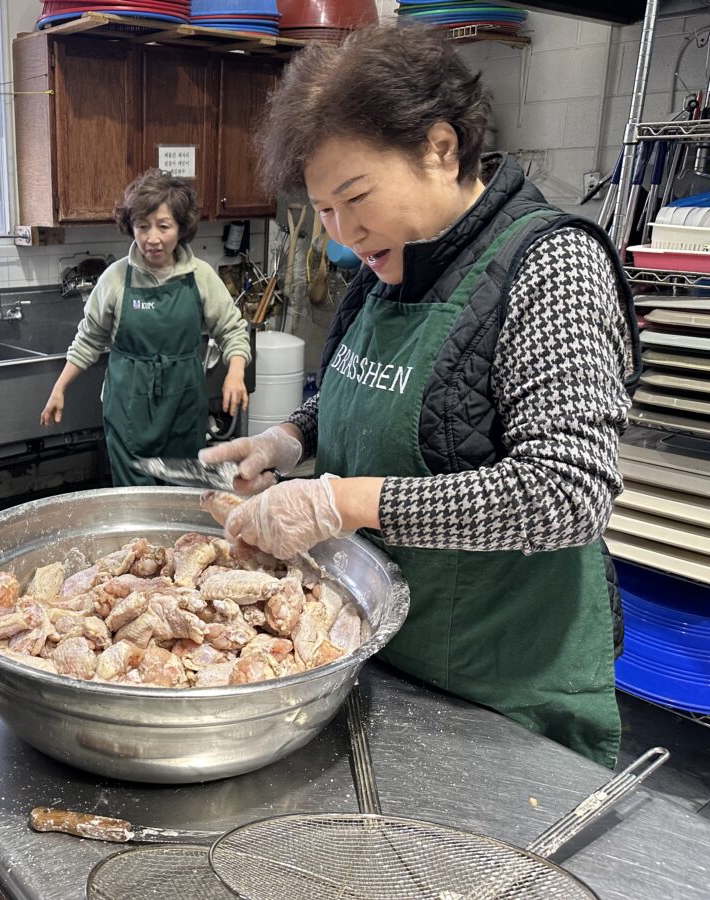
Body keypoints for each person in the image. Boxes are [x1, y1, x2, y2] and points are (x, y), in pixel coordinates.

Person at [202, 26, 640, 768]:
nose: (343, 233)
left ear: (440, 148)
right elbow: (394, 395)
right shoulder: (387, 263)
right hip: (371, 656)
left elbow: (567, 494)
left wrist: (339, 503)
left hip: (499, 694)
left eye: (355, 197)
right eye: (325, 210)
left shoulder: (550, 265)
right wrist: (290, 438)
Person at [40, 169, 252, 485]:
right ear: (131, 227)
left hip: (184, 409)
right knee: (133, 500)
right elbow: (89, 339)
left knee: (183, 495)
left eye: (163, 226)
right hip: (129, 410)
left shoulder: (201, 276)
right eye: (142, 226)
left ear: (181, 227)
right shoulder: (115, 279)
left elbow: (232, 330)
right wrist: (59, 388)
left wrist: (235, 373)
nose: (152, 238)